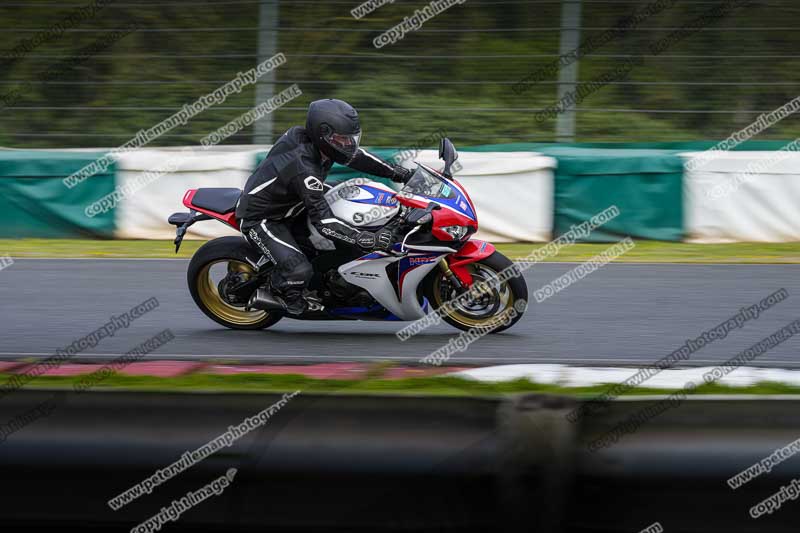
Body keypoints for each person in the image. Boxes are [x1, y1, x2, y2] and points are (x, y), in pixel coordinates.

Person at [236, 98, 412, 315]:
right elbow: (324, 222)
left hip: (294, 201)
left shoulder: (319, 144)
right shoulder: (304, 168)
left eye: (351, 139)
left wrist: (399, 173)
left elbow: (359, 157)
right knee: (298, 269)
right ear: (323, 134)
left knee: (360, 194)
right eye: (342, 140)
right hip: (264, 218)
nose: (348, 144)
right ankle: (282, 295)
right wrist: (361, 239)